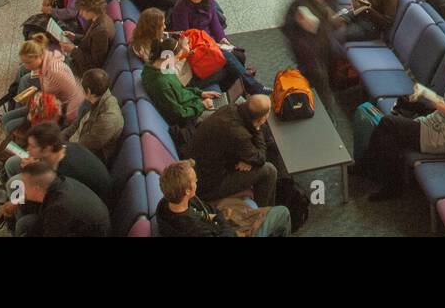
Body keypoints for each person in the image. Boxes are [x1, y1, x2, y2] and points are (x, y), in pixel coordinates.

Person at [365, 48, 445, 201]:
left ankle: (374, 172)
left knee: (387, 122)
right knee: (390, 136)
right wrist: (425, 92)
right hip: (435, 121)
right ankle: (387, 182)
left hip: (442, 136)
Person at [1, 121, 112, 234]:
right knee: (11, 164)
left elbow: (56, 200)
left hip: (83, 216)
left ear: (46, 149)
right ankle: (17, 214)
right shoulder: (58, 151)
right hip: (67, 198)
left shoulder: (72, 170)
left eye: (32, 146)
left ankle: (20, 223)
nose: (28, 150)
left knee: (15, 187)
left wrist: (17, 200)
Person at [156, 158, 290, 238]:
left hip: (219, 226)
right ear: (187, 191)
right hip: (227, 232)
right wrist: (220, 220)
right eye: (194, 181)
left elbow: (211, 210)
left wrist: (217, 219)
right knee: (282, 213)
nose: (197, 180)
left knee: (245, 202)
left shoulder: (167, 202)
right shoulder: (194, 230)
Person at [186, 94, 278, 206]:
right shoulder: (239, 135)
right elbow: (260, 159)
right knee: (269, 170)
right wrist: (257, 129)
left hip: (201, 163)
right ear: (262, 118)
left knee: (263, 134)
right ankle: (264, 212)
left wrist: (249, 159)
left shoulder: (229, 108)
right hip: (207, 186)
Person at [2, 34, 85, 133]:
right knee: (5, 118)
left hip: (64, 114)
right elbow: (49, 93)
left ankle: (22, 143)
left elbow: (74, 98)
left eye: (28, 62)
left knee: (10, 127)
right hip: (48, 105)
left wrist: (60, 123)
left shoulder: (56, 72)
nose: (26, 67)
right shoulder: (44, 65)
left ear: (39, 56)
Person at [141, 36, 222, 126]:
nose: (177, 61)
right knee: (226, 111)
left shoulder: (155, 67)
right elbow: (179, 115)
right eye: (177, 58)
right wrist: (202, 105)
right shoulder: (161, 83)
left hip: (194, 103)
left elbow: (180, 90)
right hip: (192, 115)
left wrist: (200, 93)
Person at [15, 161, 110, 237]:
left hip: (87, 233)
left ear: (36, 188)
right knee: (26, 224)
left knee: (26, 225)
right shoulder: (58, 182)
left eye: (24, 184)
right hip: (79, 225)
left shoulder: (58, 208)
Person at [63, 68, 124, 165]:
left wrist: (60, 148)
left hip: (88, 157)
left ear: (88, 91)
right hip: (75, 144)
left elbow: (84, 147)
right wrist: (59, 138)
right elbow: (76, 125)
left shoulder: (108, 119)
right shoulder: (97, 97)